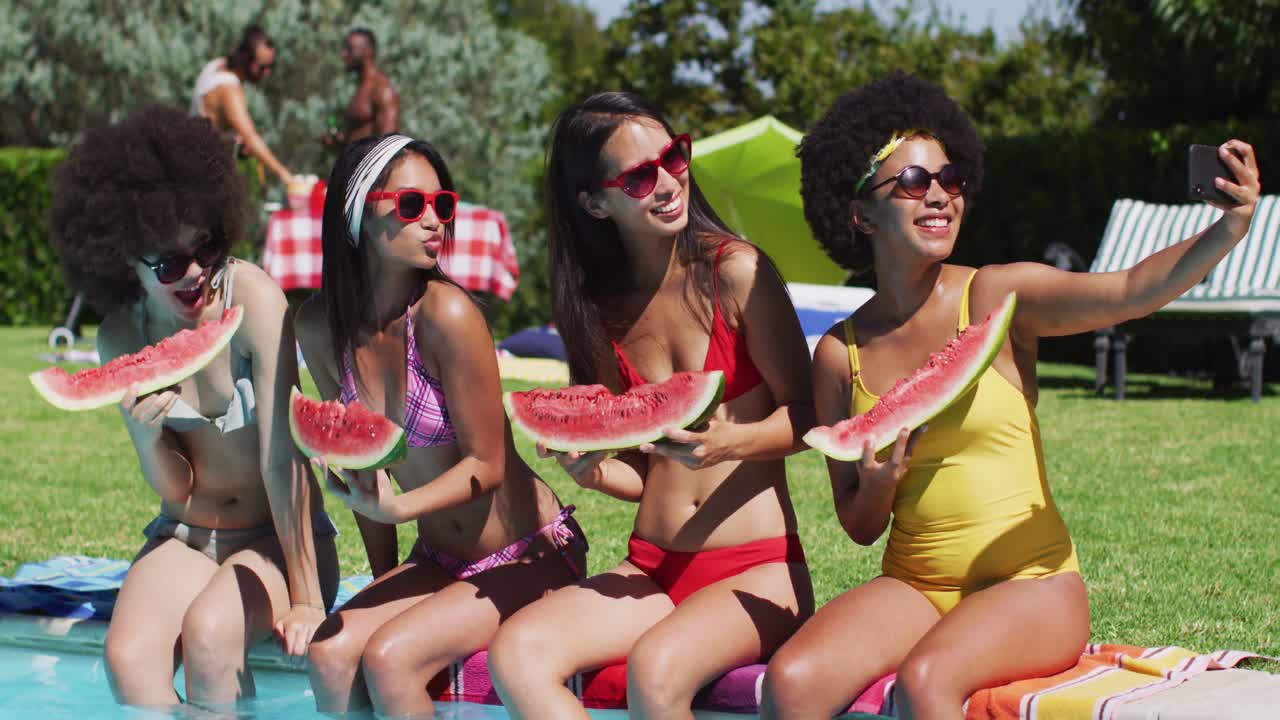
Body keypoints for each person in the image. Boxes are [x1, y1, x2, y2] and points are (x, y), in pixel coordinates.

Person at [760, 72, 1261, 719]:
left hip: (1035, 586)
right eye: (912, 181)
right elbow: (859, 526)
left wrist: (1230, 227)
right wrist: (879, 485)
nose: (939, 195)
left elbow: (1129, 290)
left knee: (927, 680)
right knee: (791, 682)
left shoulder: (997, 296)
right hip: (917, 583)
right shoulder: (839, 353)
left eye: (950, 179)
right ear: (860, 213)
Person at [485, 91, 816, 718]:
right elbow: (647, 471)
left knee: (655, 672)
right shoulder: (599, 311)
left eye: (674, 157)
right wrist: (594, 472)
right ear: (594, 203)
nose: (667, 183)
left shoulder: (737, 272)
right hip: (652, 565)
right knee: (516, 654)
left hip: (758, 567)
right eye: (639, 177)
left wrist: (732, 442)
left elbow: (810, 416)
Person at [48, 104, 338, 708]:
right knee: (128, 662)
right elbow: (175, 487)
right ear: (123, 262)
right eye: (169, 264)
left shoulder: (253, 299)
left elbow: (282, 461)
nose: (196, 274)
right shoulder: (120, 336)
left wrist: (308, 597)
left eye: (204, 248)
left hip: (278, 541)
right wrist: (147, 435)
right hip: (184, 535)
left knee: (210, 637)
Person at [295, 133, 587, 717]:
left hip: (527, 553)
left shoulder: (447, 314)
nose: (434, 221)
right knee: (330, 654)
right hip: (436, 560)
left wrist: (398, 510)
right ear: (358, 213)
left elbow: (488, 464)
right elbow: (362, 471)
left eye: (442, 204)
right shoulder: (320, 328)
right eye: (411, 205)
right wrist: (384, 584)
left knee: (390, 658)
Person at [192, 25, 294, 186]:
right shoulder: (229, 89)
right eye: (262, 67)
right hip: (206, 179)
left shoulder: (216, 66)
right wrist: (286, 176)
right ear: (246, 59)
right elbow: (250, 137)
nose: (267, 73)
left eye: (271, 66)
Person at [324, 28, 400, 147]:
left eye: (350, 49)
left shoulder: (381, 90)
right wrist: (338, 143)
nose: (343, 55)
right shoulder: (362, 87)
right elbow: (360, 138)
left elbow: (388, 145)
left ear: (368, 51)